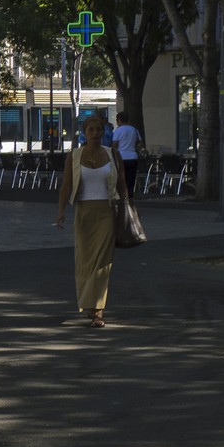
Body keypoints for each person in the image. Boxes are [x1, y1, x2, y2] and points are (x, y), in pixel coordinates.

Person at [55, 114, 130, 328]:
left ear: (104, 132)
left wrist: (129, 207)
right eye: (91, 130)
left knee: (102, 262)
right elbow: (67, 186)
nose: (96, 134)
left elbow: (123, 185)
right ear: (84, 133)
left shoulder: (113, 154)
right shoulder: (75, 156)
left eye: (99, 130)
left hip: (107, 212)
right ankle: (89, 301)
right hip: (83, 213)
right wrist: (60, 211)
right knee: (85, 261)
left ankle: (98, 310)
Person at [111, 112, 144, 199]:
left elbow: (114, 145)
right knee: (131, 178)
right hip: (133, 157)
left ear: (119, 120)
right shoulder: (134, 130)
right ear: (128, 119)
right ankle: (130, 195)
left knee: (121, 178)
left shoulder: (118, 130)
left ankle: (122, 195)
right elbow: (139, 143)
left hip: (121, 157)